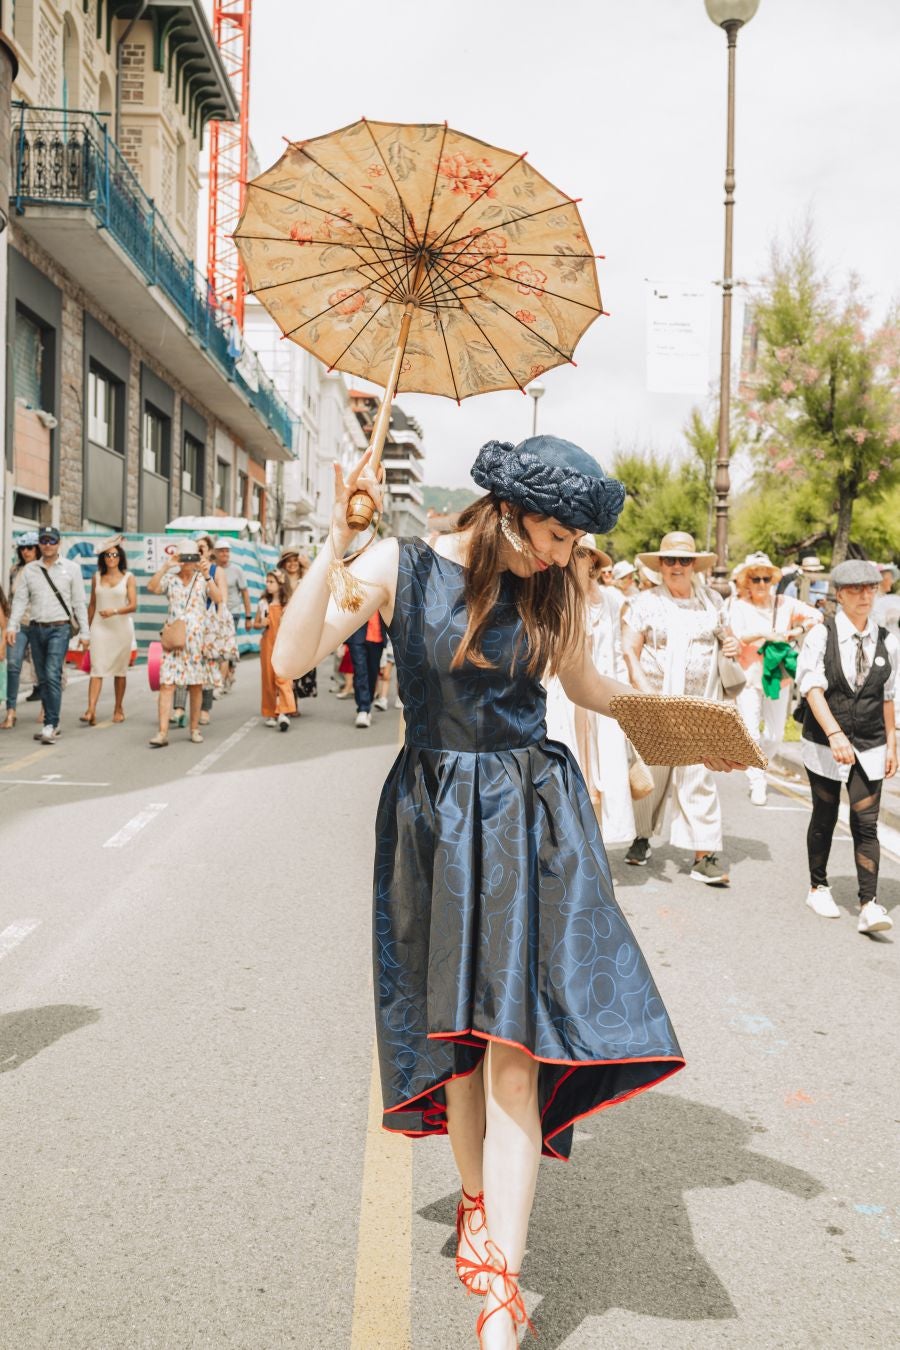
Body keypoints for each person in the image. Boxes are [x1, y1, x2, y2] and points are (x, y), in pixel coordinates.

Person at [273, 435, 741, 1348]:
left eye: (574, 543)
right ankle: (478, 1201)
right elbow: (291, 659)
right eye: (557, 536)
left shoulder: (555, 589)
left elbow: (588, 685)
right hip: (435, 822)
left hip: (529, 816)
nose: (563, 556)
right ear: (510, 512)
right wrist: (336, 539)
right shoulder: (398, 565)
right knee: (461, 1047)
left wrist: (680, 727)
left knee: (515, 1051)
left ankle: (502, 1287)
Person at [622, 531, 740, 885]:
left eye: (684, 560)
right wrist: (646, 695)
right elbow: (630, 650)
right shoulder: (645, 602)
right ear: (660, 565)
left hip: (702, 705)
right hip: (657, 704)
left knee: (698, 777)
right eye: (670, 560)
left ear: (694, 565)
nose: (677, 566)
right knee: (652, 774)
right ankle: (642, 836)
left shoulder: (712, 601)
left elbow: (728, 638)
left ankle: (704, 855)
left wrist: (732, 645)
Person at [796, 560, 896, 935]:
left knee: (866, 823)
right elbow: (812, 689)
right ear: (839, 594)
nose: (864, 595)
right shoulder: (821, 636)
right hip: (824, 741)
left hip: (871, 742)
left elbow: (888, 695)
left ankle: (869, 903)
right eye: (855, 589)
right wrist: (835, 734)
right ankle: (818, 887)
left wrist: (892, 743)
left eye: (870, 588)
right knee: (824, 814)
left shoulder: (888, 640)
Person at [727, 552, 821, 806]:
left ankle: (758, 766)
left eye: (766, 579)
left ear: (772, 581)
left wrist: (795, 630)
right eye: (755, 579)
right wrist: (765, 634)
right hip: (749, 677)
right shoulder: (739, 606)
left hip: (778, 676)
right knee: (750, 732)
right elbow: (738, 636)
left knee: (774, 735)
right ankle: (757, 781)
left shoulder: (784, 603)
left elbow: (817, 616)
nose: (761, 584)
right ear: (747, 581)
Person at [6, 526, 89, 745]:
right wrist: (12, 627)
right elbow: (20, 600)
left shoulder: (71, 569)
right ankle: (51, 723)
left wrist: (85, 633)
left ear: (59, 543)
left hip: (59, 629)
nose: (48, 545)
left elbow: (79, 602)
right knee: (42, 678)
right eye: (44, 541)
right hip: (35, 628)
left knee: (52, 674)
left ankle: (51, 723)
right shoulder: (30, 570)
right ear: (39, 544)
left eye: (52, 541)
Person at [146, 547, 224, 747]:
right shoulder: (171, 579)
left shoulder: (202, 580)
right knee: (166, 684)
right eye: (185, 557)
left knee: (196, 685)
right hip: (174, 641)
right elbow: (151, 587)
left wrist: (207, 574)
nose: (188, 561)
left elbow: (218, 598)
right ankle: (162, 732)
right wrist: (166, 566)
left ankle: (194, 729)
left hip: (196, 642)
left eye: (192, 557)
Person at [81, 536, 136, 725]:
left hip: (121, 629)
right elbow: (92, 605)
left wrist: (114, 611)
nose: (111, 558)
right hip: (99, 628)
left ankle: (118, 708)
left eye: (115, 555)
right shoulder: (96, 577)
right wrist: (86, 631)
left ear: (120, 557)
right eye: (107, 555)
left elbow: (133, 605)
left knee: (120, 671)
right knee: (97, 668)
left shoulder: (128, 577)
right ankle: (91, 709)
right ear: (102, 558)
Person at [1, 531, 40, 730]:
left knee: (43, 668)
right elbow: (10, 599)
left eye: (30, 547)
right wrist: (7, 625)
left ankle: (46, 708)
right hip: (18, 625)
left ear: (38, 549)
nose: (26, 551)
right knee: (13, 665)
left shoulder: (44, 569)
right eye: (23, 548)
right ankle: (11, 712)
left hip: (41, 623)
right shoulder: (15, 570)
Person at [255, 569, 296, 730]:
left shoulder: (288, 604)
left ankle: (284, 712)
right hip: (267, 643)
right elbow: (255, 624)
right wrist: (261, 623)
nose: (268, 584)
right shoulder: (263, 603)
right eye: (267, 581)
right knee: (268, 678)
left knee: (283, 677)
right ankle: (270, 712)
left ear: (280, 584)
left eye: (271, 582)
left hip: (284, 644)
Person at [279, 548, 316, 708]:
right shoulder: (280, 579)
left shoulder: (305, 577)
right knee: (285, 665)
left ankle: (294, 700)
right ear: (283, 564)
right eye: (288, 561)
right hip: (283, 627)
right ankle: (288, 702)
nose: (292, 564)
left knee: (300, 665)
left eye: (295, 561)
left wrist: (307, 565)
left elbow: (318, 582)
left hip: (303, 627)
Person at [214, 539, 251, 690]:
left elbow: (245, 593)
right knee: (217, 643)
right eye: (221, 551)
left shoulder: (236, 570)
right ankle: (225, 672)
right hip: (215, 612)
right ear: (215, 553)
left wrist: (248, 616)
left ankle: (229, 670)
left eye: (227, 551)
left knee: (228, 642)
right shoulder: (212, 569)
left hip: (233, 612)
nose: (225, 554)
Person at [346, 608, 386, 728]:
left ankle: (367, 704)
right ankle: (363, 709)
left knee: (373, 674)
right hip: (357, 636)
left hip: (377, 636)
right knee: (360, 672)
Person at [872, 562, 900, 637]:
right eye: (890, 578)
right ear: (881, 578)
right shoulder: (871, 597)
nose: (892, 582)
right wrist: (886, 618)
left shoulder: (888, 599)